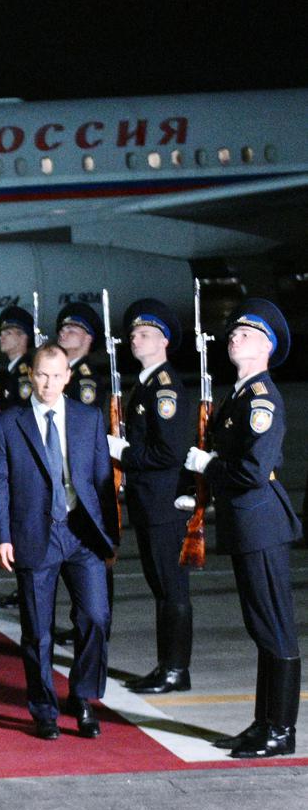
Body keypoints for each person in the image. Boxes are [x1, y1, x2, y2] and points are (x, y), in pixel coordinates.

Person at [185, 299, 301, 757]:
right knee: (261, 626)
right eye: (233, 332)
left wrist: (210, 467)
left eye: (247, 334)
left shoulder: (262, 399)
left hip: (261, 523)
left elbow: (252, 471)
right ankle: (263, 723)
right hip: (246, 522)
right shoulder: (238, 395)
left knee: (274, 626)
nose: (235, 336)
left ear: (267, 347)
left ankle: (281, 731)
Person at [0, 344, 118, 740]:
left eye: (56, 375)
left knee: (95, 617)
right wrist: (2, 535)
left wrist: (109, 538)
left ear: (67, 377)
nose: (48, 383)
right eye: (41, 374)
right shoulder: (9, 423)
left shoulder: (89, 418)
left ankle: (81, 696)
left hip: (82, 533)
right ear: (31, 375)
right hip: (34, 533)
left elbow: (101, 482)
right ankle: (43, 708)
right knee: (38, 631)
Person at [111, 300, 196, 694]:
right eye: (132, 334)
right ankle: (168, 665)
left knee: (171, 587)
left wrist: (123, 454)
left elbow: (169, 452)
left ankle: (176, 670)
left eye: (144, 333)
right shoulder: (145, 384)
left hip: (164, 504)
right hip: (150, 501)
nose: (135, 338)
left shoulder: (165, 389)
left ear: (164, 340)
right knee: (160, 586)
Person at [0, 306, 37, 611]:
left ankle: (27, 588)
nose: (2, 338)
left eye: (8, 333)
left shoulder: (25, 372)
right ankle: (23, 587)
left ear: (23, 338)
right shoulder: (11, 370)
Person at [55, 302, 108, 412]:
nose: (62, 334)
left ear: (88, 338)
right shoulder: (58, 371)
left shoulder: (87, 380)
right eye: (62, 330)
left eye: (71, 331)